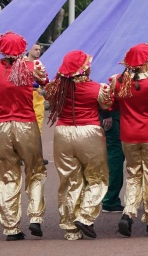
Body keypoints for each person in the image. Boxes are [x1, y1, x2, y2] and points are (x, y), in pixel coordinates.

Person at [0, 32, 49, 241]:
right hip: (26, 124)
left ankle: (11, 227)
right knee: (35, 171)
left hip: (2, 126)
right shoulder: (34, 67)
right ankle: (36, 217)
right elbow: (46, 82)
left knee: (5, 176)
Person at [45, 49, 110, 240]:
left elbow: (48, 95)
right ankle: (85, 215)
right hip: (89, 132)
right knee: (97, 178)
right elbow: (107, 104)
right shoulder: (97, 88)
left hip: (63, 133)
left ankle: (70, 228)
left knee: (69, 181)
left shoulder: (56, 88)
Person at [105, 43, 148, 237]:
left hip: (128, 135)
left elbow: (112, 106)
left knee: (134, 175)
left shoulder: (118, 81)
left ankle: (129, 212)